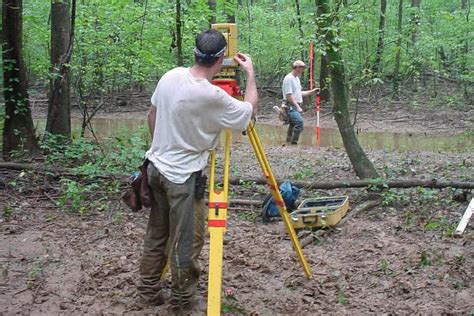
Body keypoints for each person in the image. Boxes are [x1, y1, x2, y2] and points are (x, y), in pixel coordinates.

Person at [137, 29, 258, 314]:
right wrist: (251, 74)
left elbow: (151, 114)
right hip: (183, 179)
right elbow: (248, 112)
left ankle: (148, 291)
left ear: (194, 53)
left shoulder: (170, 76)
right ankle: (181, 302)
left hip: (154, 169)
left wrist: (162, 145)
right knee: (186, 242)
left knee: (157, 234)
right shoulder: (212, 96)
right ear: (220, 59)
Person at [282, 60, 317, 145]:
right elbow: (289, 95)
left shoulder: (296, 78)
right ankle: (294, 142)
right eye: (302, 67)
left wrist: (312, 91)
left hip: (295, 105)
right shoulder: (289, 78)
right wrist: (297, 106)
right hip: (290, 105)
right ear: (296, 67)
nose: (303, 69)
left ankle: (288, 141)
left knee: (293, 124)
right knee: (299, 122)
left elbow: (299, 93)